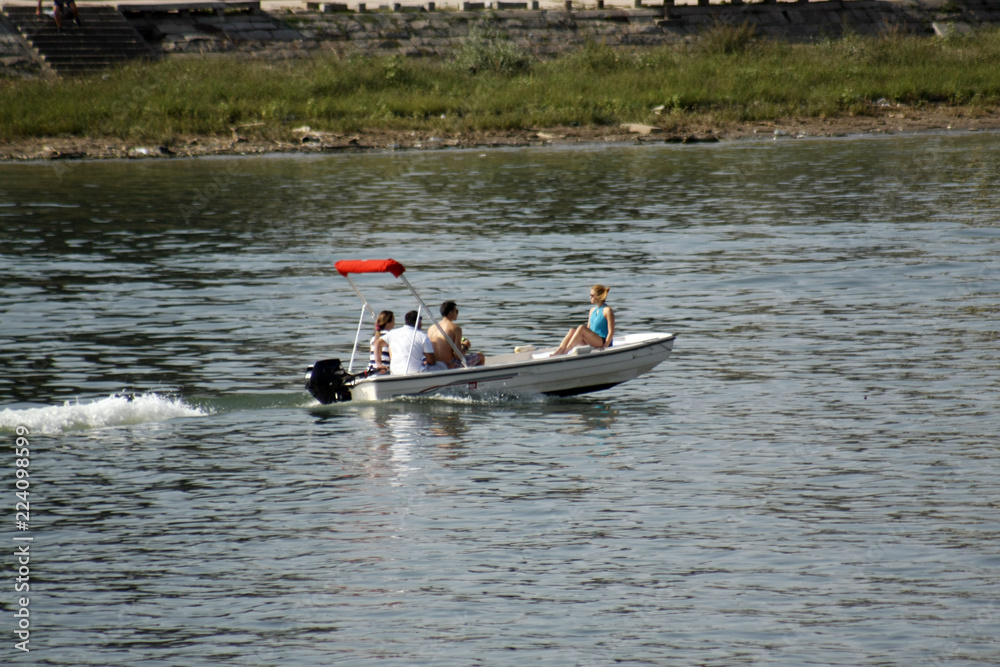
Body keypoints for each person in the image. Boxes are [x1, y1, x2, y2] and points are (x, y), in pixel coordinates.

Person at [552, 285, 615, 355]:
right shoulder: (592, 310)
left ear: (599, 296)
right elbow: (589, 329)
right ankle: (559, 350)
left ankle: (566, 351)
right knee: (572, 330)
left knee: (582, 328)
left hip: (602, 341)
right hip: (593, 341)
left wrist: (605, 347)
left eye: (592, 295)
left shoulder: (607, 310)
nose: (590, 297)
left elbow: (611, 332)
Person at [381, 310, 446, 375]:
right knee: (441, 365)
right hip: (415, 372)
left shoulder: (393, 333)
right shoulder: (422, 336)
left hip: (395, 372)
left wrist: (378, 363)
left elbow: (377, 343)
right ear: (419, 322)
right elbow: (431, 361)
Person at [428, 300, 485, 369]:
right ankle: (474, 379)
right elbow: (458, 356)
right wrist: (466, 346)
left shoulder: (431, 328)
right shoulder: (455, 328)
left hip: (436, 363)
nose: (457, 313)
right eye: (456, 311)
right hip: (450, 365)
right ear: (451, 313)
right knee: (481, 356)